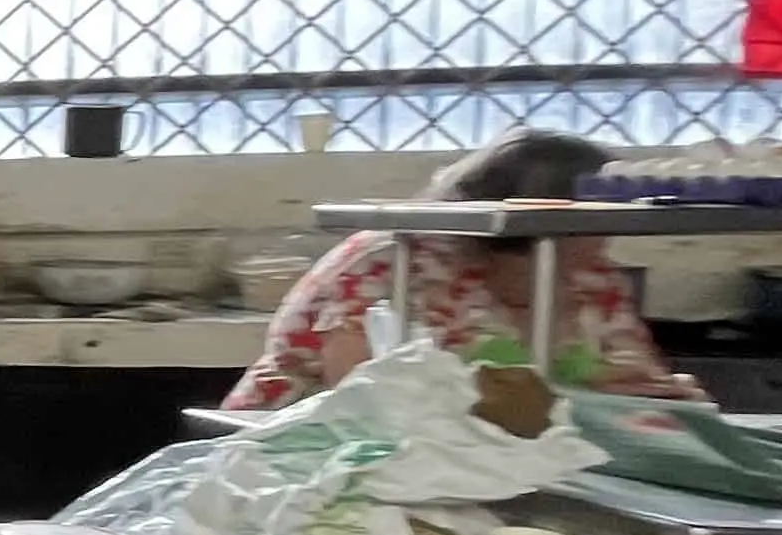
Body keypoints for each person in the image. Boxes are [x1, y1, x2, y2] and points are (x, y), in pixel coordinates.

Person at [223, 130, 703, 409]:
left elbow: (631, 378)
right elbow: (365, 402)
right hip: (305, 459)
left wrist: (650, 398)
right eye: (576, 234)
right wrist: (556, 406)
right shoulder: (391, 263)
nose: (596, 250)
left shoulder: (594, 279)